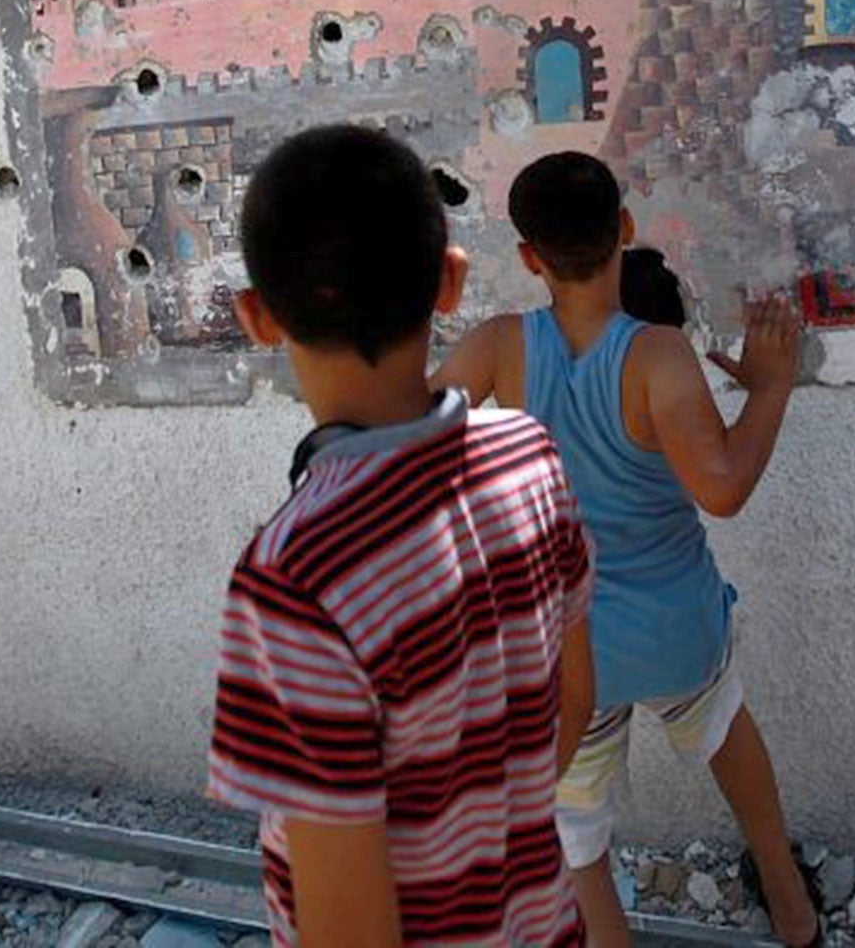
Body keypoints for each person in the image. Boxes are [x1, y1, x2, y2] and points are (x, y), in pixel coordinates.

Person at [206, 125, 595, 948]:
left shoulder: (295, 583)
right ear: (450, 283)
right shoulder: (530, 457)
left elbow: (348, 930)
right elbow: (574, 696)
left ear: (257, 318)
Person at [435, 152, 822, 948]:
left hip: (570, 658)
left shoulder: (499, 346)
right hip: (676, 630)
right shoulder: (656, 355)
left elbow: (406, 448)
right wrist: (772, 386)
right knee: (722, 727)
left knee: (578, 847)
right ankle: (791, 904)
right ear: (624, 229)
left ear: (529, 257)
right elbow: (721, 489)